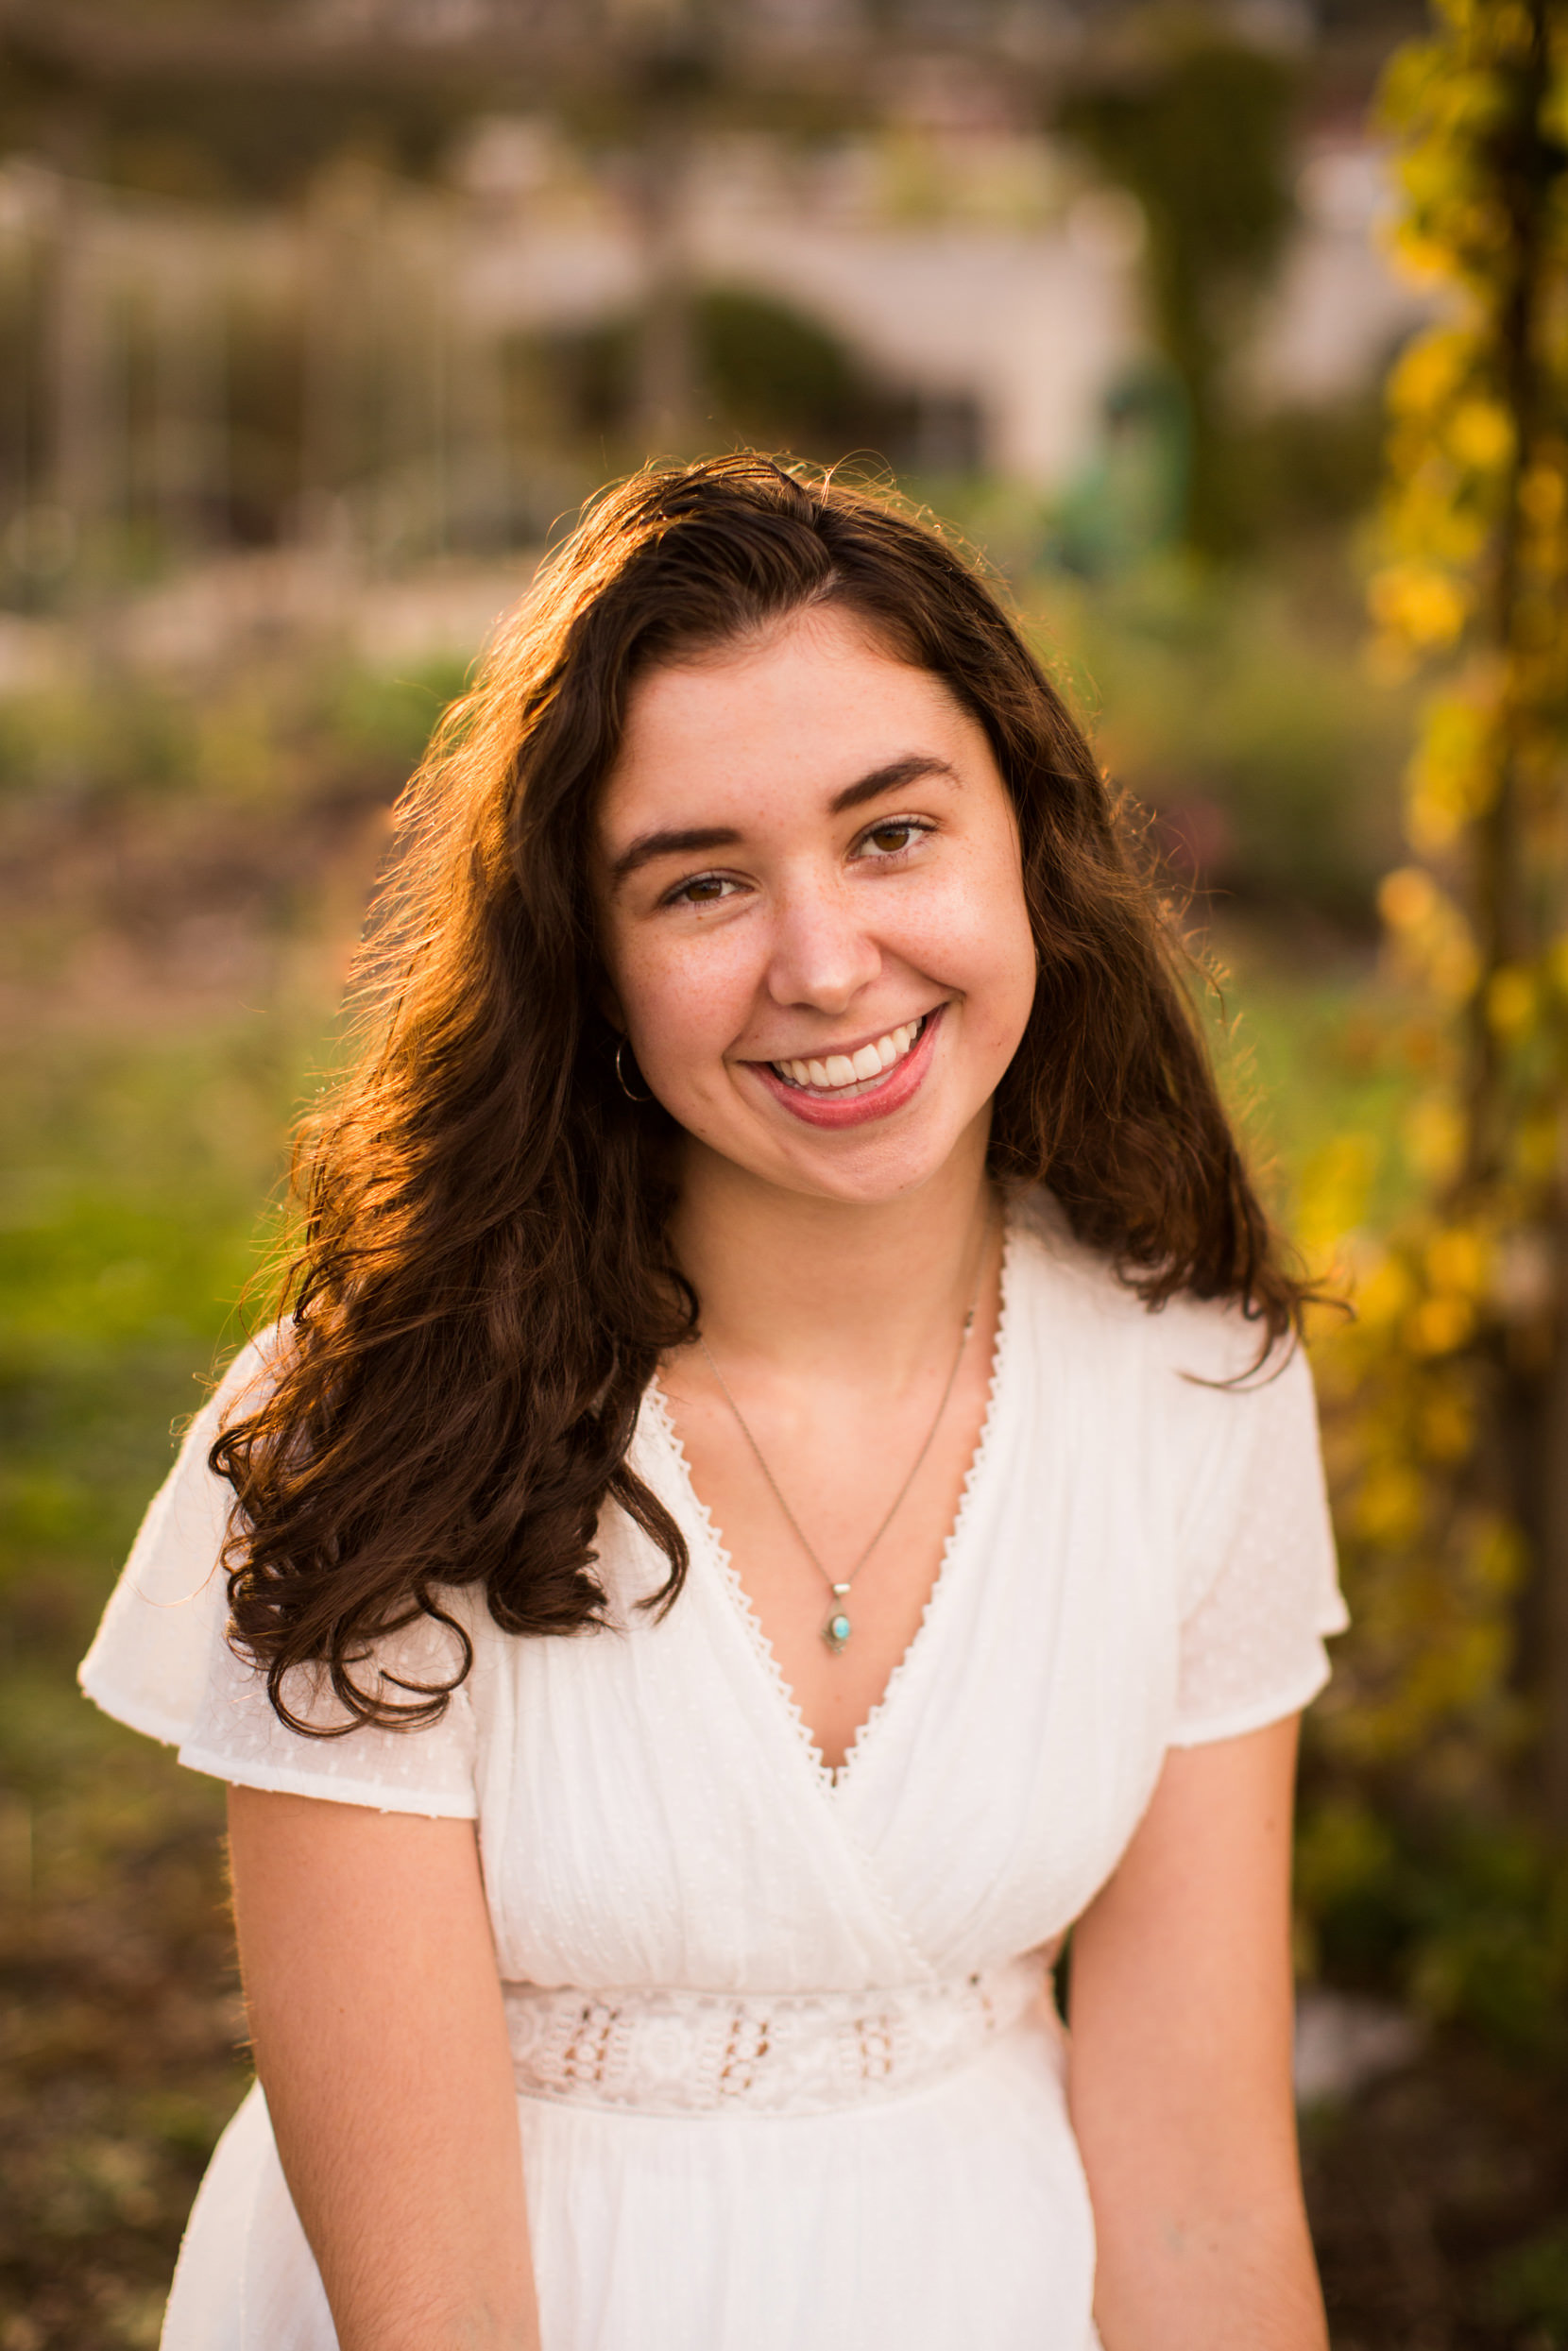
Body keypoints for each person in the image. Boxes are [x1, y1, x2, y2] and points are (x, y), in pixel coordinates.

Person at [80, 452, 1345, 2351]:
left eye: (891, 834)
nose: (824, 962)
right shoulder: (384, 1424)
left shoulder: (1193, 1387)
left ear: (1028, 842)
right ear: (582, 960)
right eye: (701, 884)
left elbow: (1200, 2198)